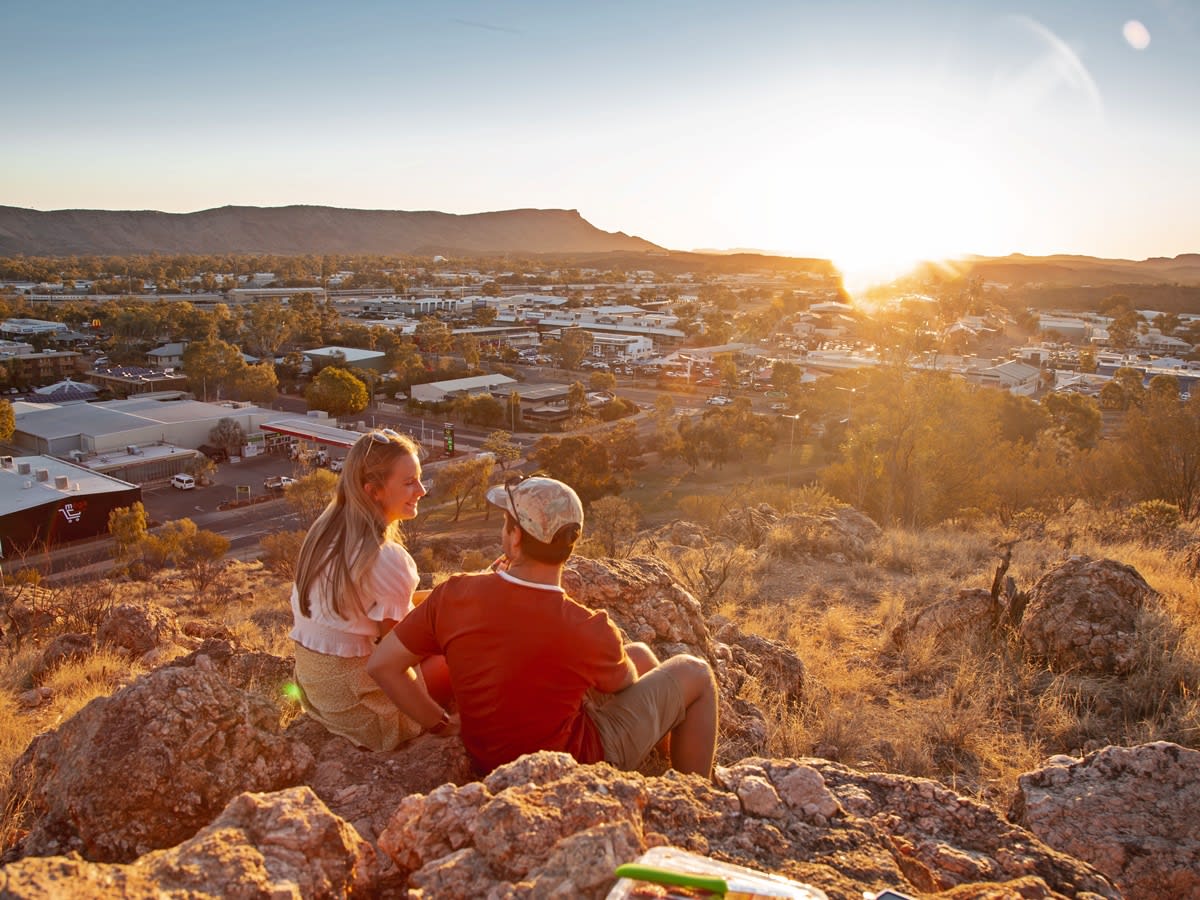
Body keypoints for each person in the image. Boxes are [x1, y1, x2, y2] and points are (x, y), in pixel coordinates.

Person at [367, 475, 718, 777]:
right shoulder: (586, 627)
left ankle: (663, 758)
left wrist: (439, 723)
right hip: (574, 766)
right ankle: (695, 792)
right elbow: (624, 683)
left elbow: (383, 665)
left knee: (639, 654)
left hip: (488, 759)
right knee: (694, 672)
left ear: (515, 537)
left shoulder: (454, 594)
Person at [289, 428, 451, 750]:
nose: (421, 490)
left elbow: (384, 609)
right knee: (467, 648)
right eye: (408, 483)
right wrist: (442, 725)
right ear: (373, 491)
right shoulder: (385, 558)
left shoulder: (327, 530)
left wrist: (466, 588)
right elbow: (395, 661)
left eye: (419, 479)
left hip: (319, 692)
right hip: (362, 706)